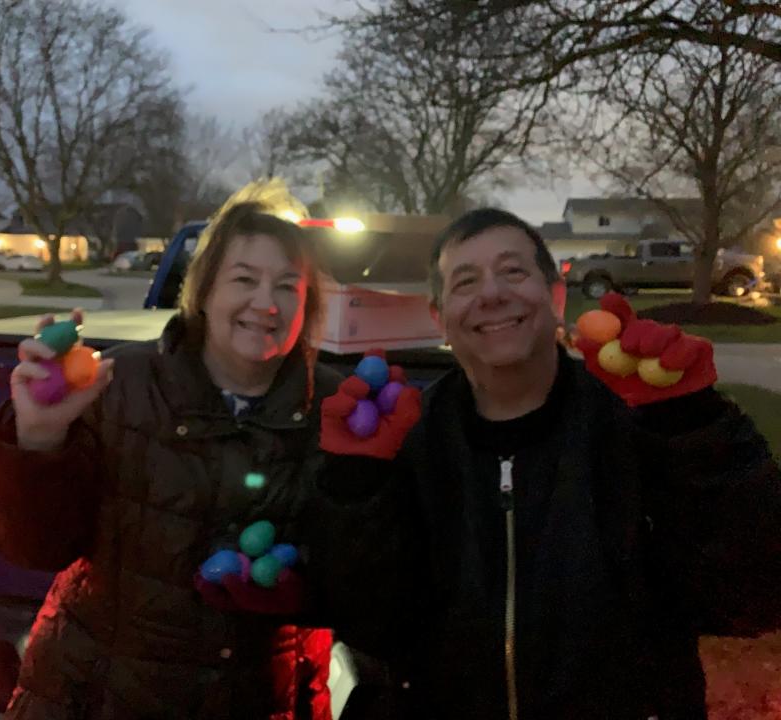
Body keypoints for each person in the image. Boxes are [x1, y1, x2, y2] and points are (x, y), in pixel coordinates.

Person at [312, 207, 781, 719]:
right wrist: (357, 487)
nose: (492, 293)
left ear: (556, 297)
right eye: (465, 281)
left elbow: (750, 598)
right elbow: (368, 622)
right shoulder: (406, 442)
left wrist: (696, 428)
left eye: (513, 271)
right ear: (438, 315)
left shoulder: (639, 427)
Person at [0, 181, 341, 719]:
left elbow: (362, 575)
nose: (265, 304)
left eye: (288, 286)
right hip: (94, 699)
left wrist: (305, 589)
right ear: (204, 291)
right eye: (244, 279)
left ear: (307, 304)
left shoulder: (335, 411)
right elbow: (35, 548)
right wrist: (37, 441)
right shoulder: (117, 382)